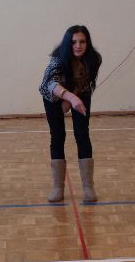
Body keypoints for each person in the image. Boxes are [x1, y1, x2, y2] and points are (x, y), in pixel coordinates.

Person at [39, 25, 102, 203]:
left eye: (82, 41)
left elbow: (85, 80)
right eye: (74, 42)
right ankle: (58, 187)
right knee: (57, 136)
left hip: (79, 92)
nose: (78, 46)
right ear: (68, 43)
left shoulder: (94, 59)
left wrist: (71, 98)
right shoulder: (58, 60)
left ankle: (88, 186)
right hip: (52, 96)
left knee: (82, 134)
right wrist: (69, 97)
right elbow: (49, 84)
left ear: (87, 43)